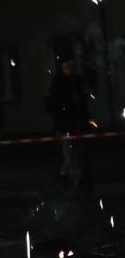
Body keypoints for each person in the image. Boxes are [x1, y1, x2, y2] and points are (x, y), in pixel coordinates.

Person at [46, 58, 90, 188]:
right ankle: (72, 178)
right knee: (69, 154)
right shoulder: (58, 84)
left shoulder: (77, 81)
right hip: (65, 125)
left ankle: (68, 175)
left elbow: (82, 104)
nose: (69, 70)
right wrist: (60, 125)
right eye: (66, 67)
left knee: (78, 153)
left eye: (70, 67)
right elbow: (54, 107)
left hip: (78, 124)